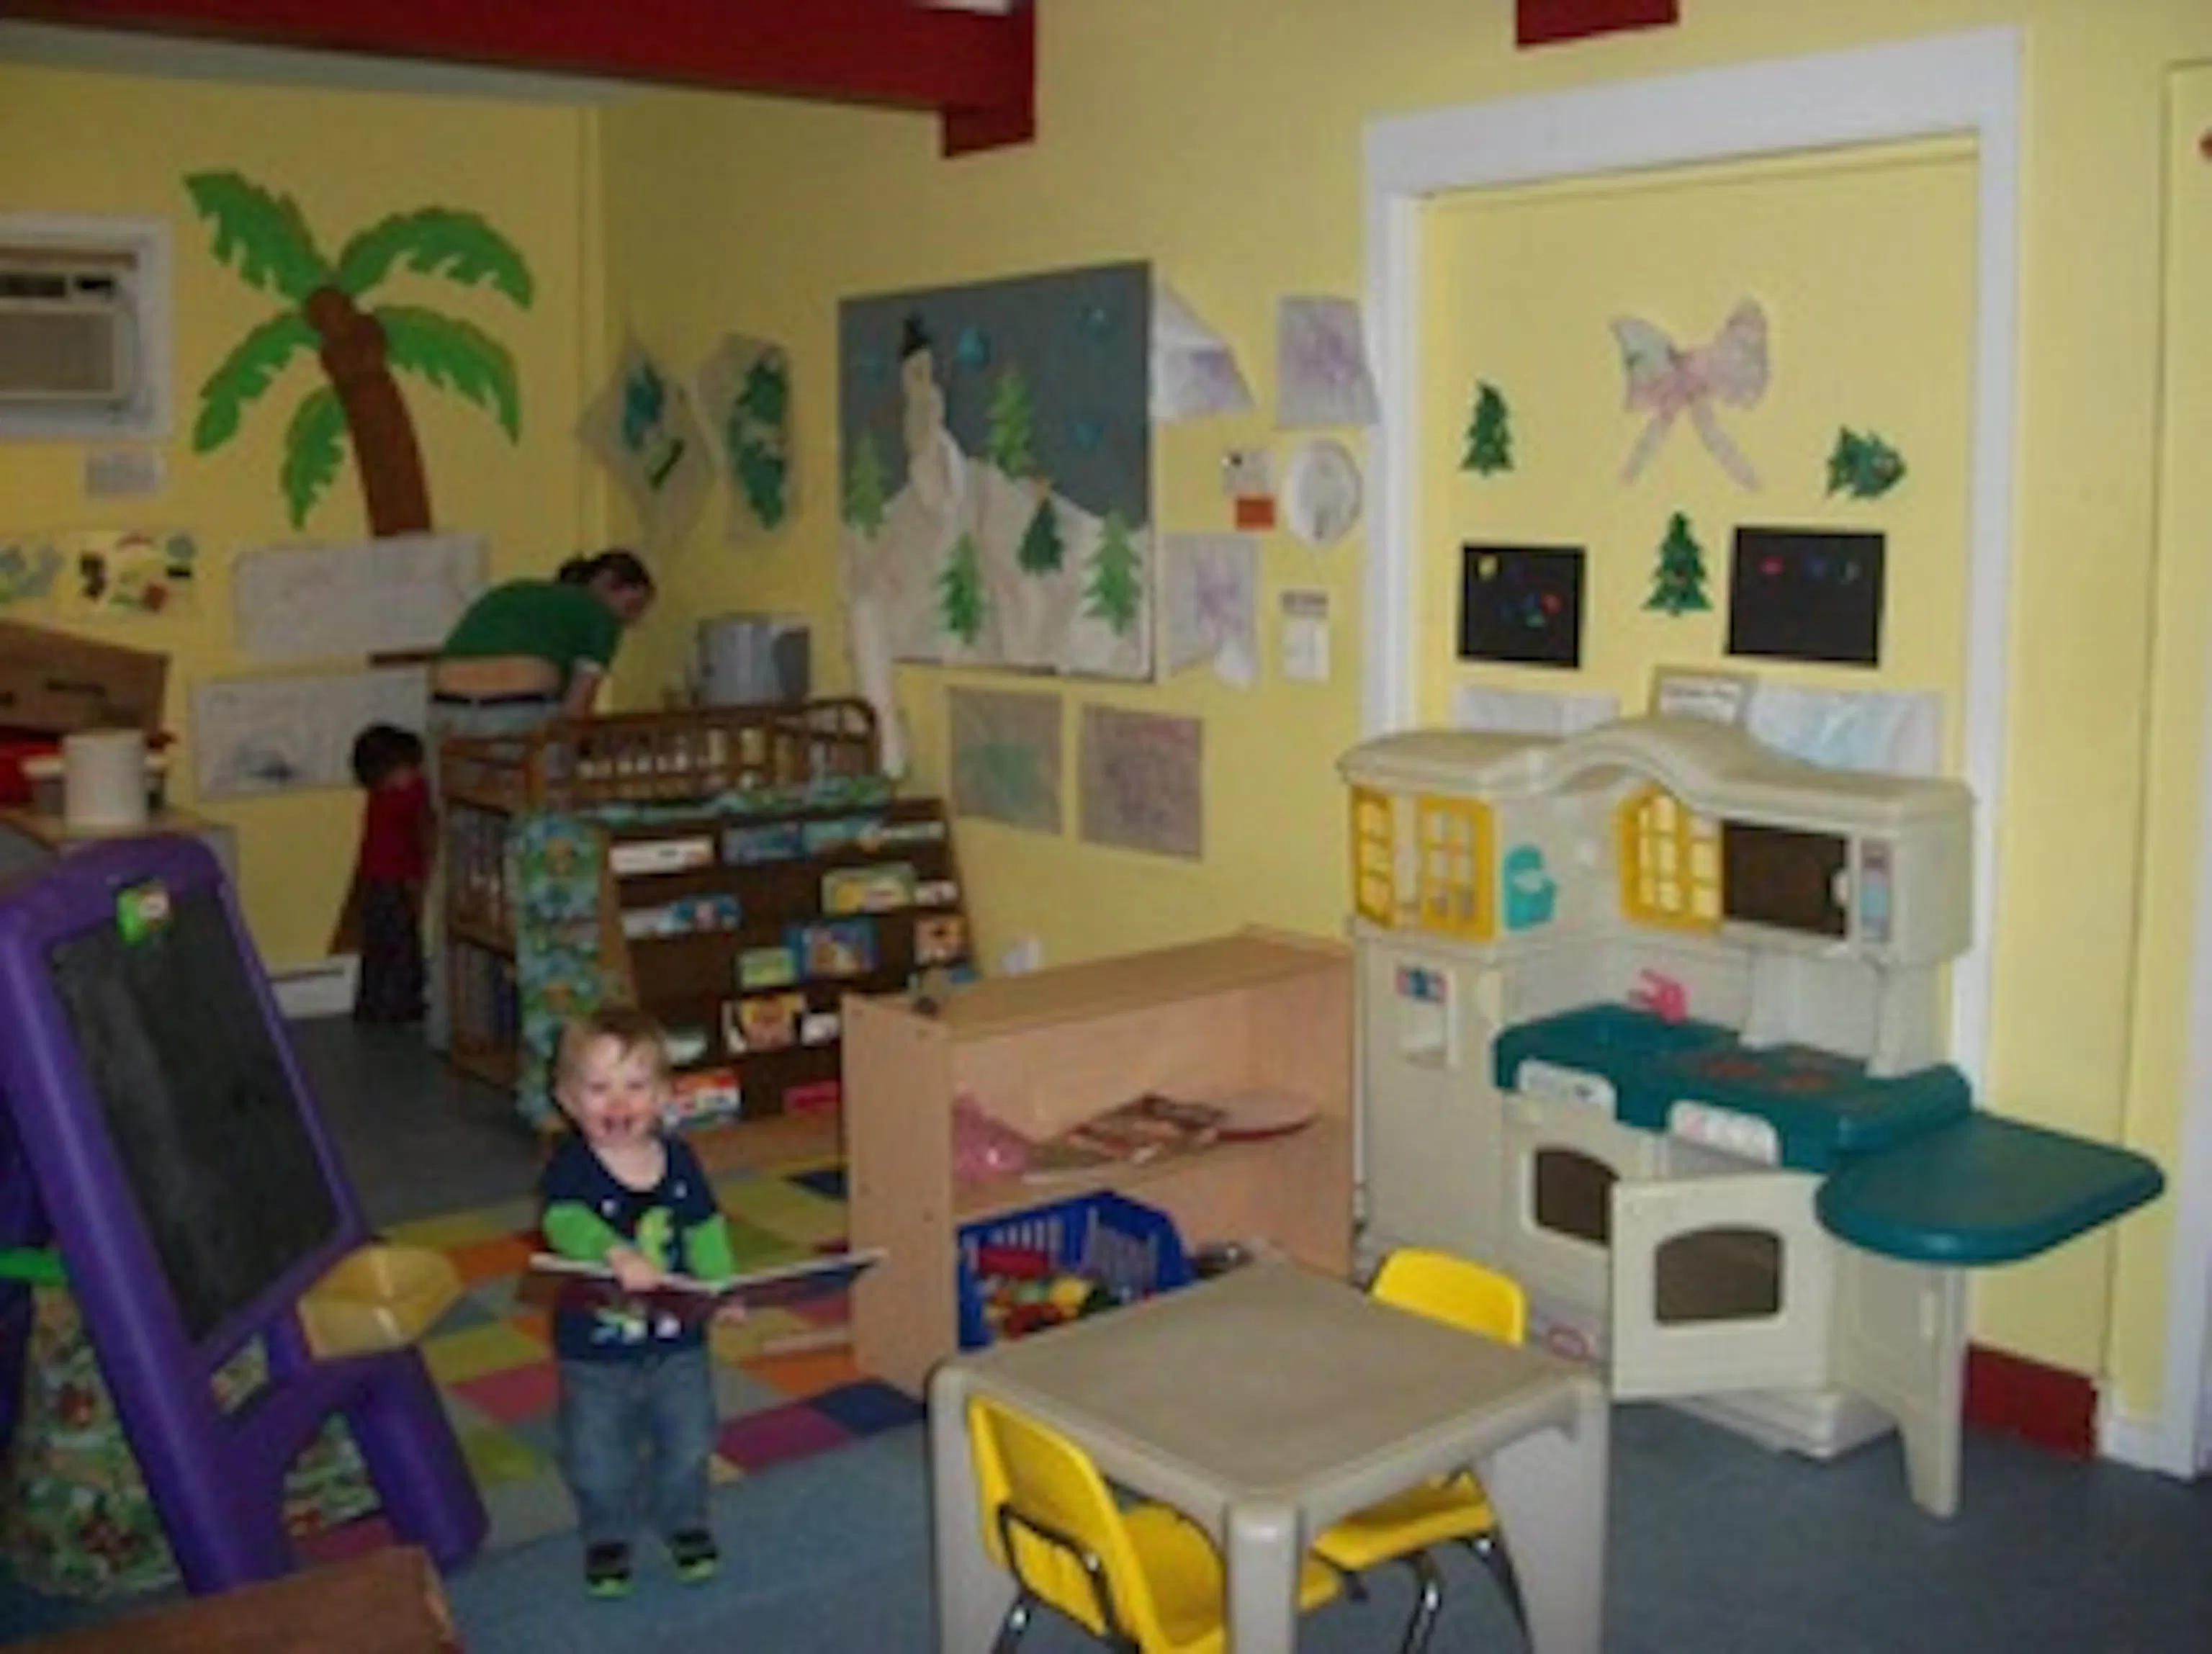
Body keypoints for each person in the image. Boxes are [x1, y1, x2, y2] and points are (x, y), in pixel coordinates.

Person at [540, 1007, 741, 1599]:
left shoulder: (680, 1162)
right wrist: (612, 1250)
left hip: (679, 1342)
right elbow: (563, 1222)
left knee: (691, 1440)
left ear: (663, 1096)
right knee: (597, 1455)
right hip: (595, 1349)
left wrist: (723, 1285)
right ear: (568, 1100)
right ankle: (607, 1533)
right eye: (598, 1088)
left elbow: (705, 1228)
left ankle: (685, 1520)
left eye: (635, 1085)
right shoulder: (573, 1167)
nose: (618, 1102)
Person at [423, 549, 655, 1050]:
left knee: (461, 864)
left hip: (447, 718)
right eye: (632, 608)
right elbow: (573, 715)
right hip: (513, 715)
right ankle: (550, 1025)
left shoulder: (516, 594)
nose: (629, 624)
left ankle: (454, 1026)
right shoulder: (595, 615)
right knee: (542, 857)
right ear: (609, 585)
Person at [346, 722, 433, 1024]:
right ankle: (401, 1004)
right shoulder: (398, 798)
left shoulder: (381, 797)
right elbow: (419, 803)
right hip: (390, 882)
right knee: (402, 945)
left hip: (377, 880)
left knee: (379, 947)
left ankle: (372, 1004)